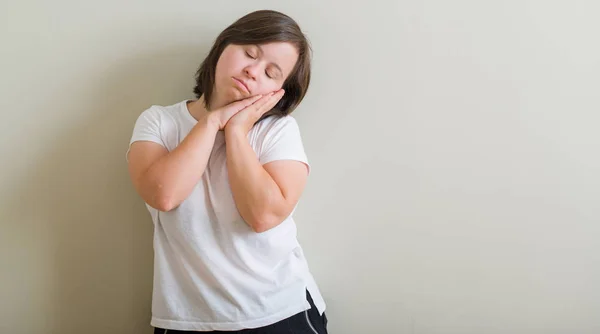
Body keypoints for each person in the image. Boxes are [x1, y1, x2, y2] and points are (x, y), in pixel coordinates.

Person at [126, 9, 328, 334]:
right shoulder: (158, 122)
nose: (252, 71)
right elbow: (163, 195)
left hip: (278, 311)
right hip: (184, 318)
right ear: (222, 47)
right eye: (250, 53)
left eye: (271, 72)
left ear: (278, 92)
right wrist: (212, 122)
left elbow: (262, 215)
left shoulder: (278, 131)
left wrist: (236, 132)